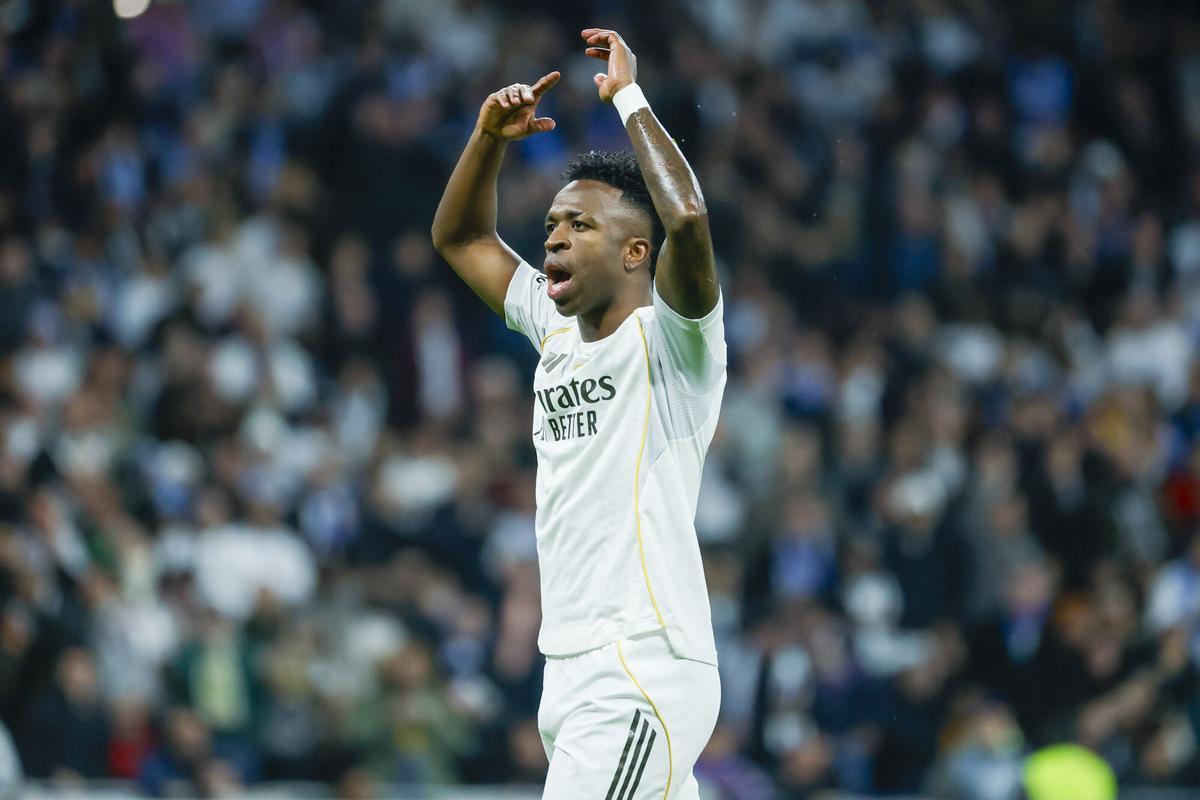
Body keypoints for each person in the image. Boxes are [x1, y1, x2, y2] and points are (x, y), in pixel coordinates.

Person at [432, 27, 725, 799]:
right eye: (552, 226)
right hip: (569, 669)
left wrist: (627, 97)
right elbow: (460, 236)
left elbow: (688, 220)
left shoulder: (676, 342)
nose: (555, 238)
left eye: (580, 226)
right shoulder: (555, 331)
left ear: (636, 254)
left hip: (639, 660)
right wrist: (486, 140)